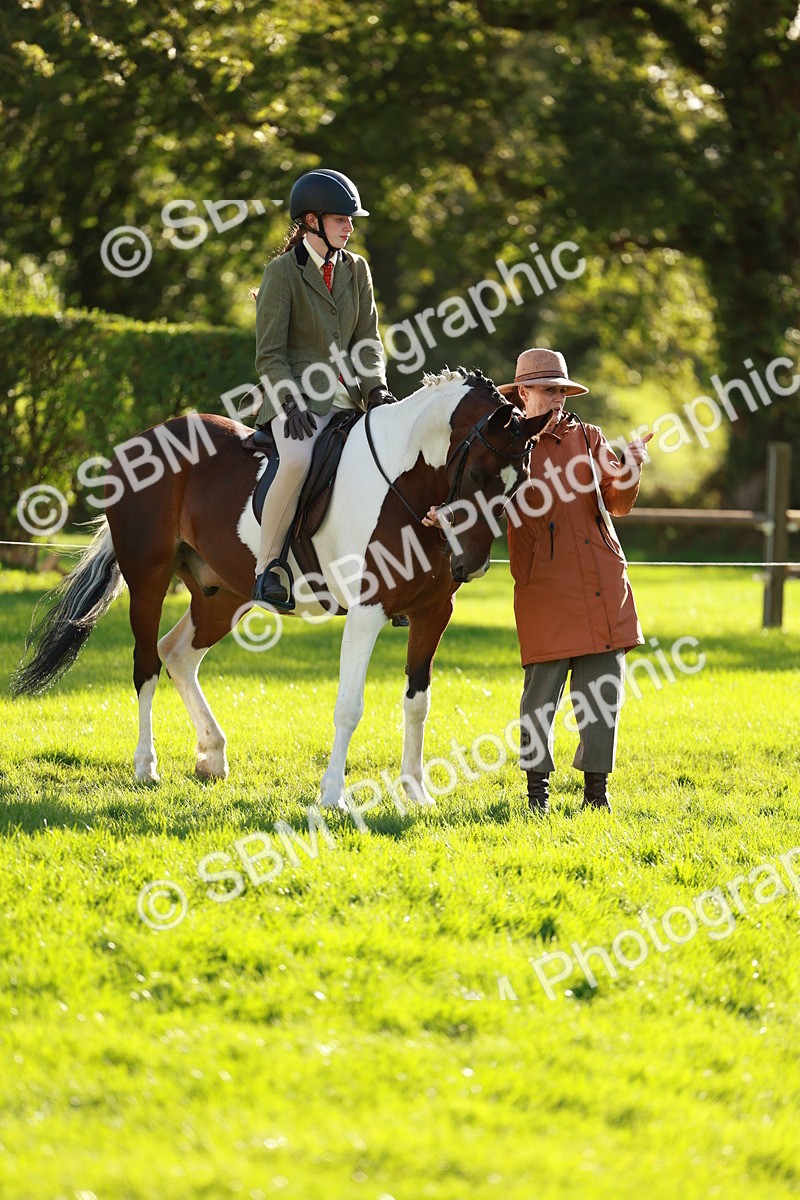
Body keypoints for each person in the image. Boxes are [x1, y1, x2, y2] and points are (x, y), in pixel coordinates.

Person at [499, 348, 653, 815]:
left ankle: (596, 793)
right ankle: (536, 795)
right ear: (523, 392)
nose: (556, 399)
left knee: (603, 696)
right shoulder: (503, 444)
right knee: (538, 701)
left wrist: (630, 466)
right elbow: (476, 500)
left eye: (561, 390)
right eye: (547, 390)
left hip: (602, 583)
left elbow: (619, 503)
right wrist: (446, 516)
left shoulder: (589, 436)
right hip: (544, 586)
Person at [251, 168, 396, 605]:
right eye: (341, 220)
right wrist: (290, 402)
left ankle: (391, 573)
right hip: (295, 404)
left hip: (349, 399)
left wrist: (376, 389)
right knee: (295, 460)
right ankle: (267, 569)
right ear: (312, 221)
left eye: (351, 221)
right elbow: (270, 354)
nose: (350, 229)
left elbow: (368, 340)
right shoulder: (282, 274)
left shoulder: (358, 270)